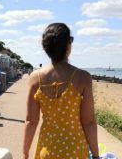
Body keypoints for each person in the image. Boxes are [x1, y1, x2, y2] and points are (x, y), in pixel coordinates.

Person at [23, 23, 99, 159]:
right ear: (68, 46)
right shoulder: (83, 77)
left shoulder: (35, 78)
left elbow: (31, 121)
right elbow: (89, 122)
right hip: (75, 150)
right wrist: (96, 155)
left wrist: (25, 153)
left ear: (46, 48)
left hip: (47, 149)